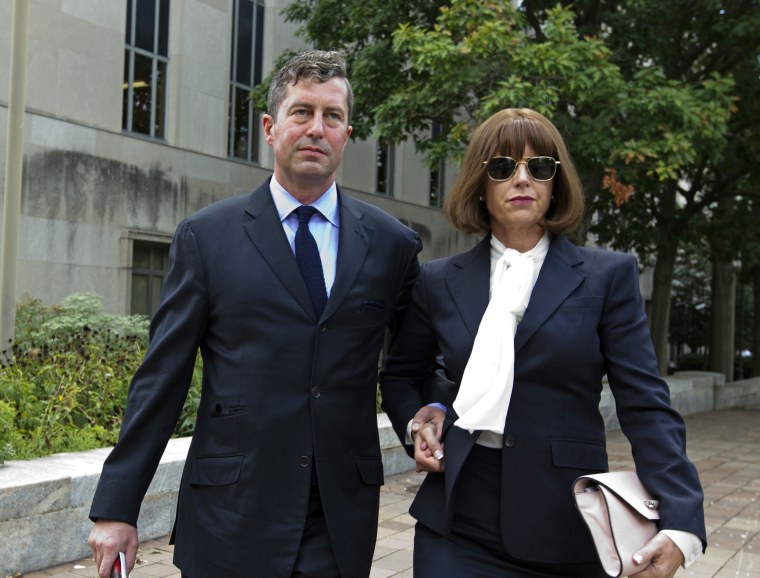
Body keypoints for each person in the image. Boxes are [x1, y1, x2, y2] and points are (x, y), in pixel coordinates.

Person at [87, 50, 421, 578]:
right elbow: (161, 378)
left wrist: (428, 415)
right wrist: (116, 507)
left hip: (338, 519)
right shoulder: (207, 237)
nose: (316, 128)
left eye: (331, 116)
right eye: (301, 112)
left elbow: (413, 364)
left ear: (347, 134)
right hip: (230, 514)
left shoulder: (392, 245)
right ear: (270, 127)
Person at [379, 108, 706, 578]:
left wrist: (681, 522)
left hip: (566, 523)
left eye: (539, 167)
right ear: (479, 182)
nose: (522, 179)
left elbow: (646, 405)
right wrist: (419, 422)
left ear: (556, 183)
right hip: (457, 521)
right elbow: (401, 375)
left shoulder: (606, 277)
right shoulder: (437, 281)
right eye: (502, 167)